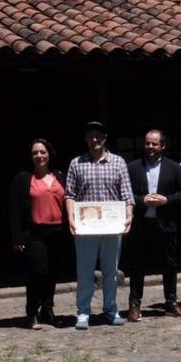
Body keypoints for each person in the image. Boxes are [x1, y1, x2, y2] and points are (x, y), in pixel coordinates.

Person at [64, 121, 134, 330]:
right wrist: (71, 218)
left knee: (111, 272)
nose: (94, 140)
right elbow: (70, 194)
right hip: (86, 229)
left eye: (98, 136)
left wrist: (129, 215)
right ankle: (83, 311)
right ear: (86, 140)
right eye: (90, 136)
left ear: (105, 138)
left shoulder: (119, 162)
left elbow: (127, 194)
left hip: (112, 228)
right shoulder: (77, 163)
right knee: (84, 272)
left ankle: (110, 310)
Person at [123, 129, 181, 321]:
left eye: (154, 144)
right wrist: (141, 199)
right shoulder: (133, 167)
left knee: (169, 264)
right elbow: (123, 194)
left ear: (163, 146)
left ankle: (171, 302)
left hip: (166, 223)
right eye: (147, 143)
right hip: (141, 224)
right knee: (137, 265)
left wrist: (166, 200)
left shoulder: (174, 168)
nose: (150, 147)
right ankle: (134, 305)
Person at [9, 139, 69, 330]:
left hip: (58, 232)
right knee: (38, 272)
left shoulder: (60, 176)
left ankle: (48, 310)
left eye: (42, 152)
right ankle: (32, 311)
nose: (39, 156)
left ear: (49, 154)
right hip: (35, 234)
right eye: (35, 153)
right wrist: (17, 237)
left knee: (52, 274)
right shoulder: (23, 179)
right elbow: (14, 210)